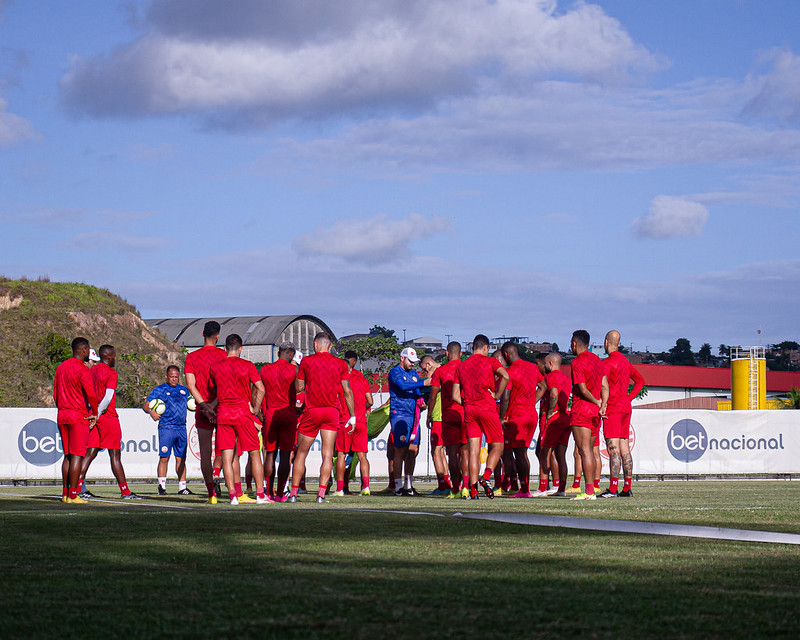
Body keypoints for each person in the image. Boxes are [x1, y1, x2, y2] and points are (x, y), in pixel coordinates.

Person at [288, 332, 356, 503]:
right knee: (327, 454)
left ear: (315, 344)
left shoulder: (307, 361)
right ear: (330, 346)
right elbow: (347, 391)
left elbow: (299, 387)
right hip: (331, 412)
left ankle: (294, 493)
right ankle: (321, 494)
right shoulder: (340, 364)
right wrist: (353, 416)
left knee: (301, 453)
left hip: (312, 411)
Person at [209, 333, 269, 505]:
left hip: (224, 414)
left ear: (225, 348)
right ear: (240, 348)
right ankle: (259, 495)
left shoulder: (216, 367)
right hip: (243, 413)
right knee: (254, 453)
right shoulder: (248, 365)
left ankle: (233, 496)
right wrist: (255, 409)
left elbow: (218, 391)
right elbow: (261, 389)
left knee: (226, 457)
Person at [79, 344, 141, 500]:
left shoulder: (91, 370)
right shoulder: (111, 372)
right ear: (107, 356)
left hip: (91, 414)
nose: (115, 358)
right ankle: (125, 491)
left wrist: (92, 412)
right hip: (107, 416)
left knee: (90, 452)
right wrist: (98, 413)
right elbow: (107, 397)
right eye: (114, 355)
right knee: (115, 455)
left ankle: (77, 487)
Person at [453, 334, 509, 499]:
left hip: (470, 410)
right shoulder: (490, 361)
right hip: (487, 408)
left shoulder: (461, 366)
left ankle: (473, 489)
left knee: (473, 452)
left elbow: (455, 395)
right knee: (498, 445)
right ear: (486, 347)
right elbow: (505, 376)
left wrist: (467, 403)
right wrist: (497, 395)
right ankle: (486, 477)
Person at [599, 330, 645, 498]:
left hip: (613, 407)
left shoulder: (607, 363)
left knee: (613, 449)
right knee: (624, 448)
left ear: (606, 342)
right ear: (618, 343)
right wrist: (629, 398)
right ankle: (627, 487)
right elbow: (640, 381)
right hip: (625, 407)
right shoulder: (625, 362)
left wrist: (602, 404)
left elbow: (602, 387)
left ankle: (612, 489)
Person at [184, 321, 227, 504]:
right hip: (222, 407)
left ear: (203, 333)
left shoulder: (192, 357)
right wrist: (214, 404)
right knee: (227, 450)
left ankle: (211, 494)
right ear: (218, 335)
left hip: (203, 410)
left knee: (204, 452)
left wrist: (204, 405)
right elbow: (226, 385)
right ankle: (234, 491)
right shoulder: (224, 356)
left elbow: (191, 385)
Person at [53, 337, 98, 504]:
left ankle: (65, 494)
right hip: (78, 416)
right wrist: (94, 412)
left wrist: (62, 408)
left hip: (62, 415)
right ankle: (73, 495)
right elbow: (91, 394)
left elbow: (55, 393)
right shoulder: (83, 369)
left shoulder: (61, 367)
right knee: (78, 455)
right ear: (84, 350)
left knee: (67, 456)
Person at [499, 342, 546, 498]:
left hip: (517, 415)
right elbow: (543, 386)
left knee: (518, 454)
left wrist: (502, 417)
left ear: (506, 354)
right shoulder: (532, 367)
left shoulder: (509, 372)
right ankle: (524, 488)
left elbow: (505, 397)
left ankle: (524, 489)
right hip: (531, 414)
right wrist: (532, 401)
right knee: (523, 453)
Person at [388, 347, 431, 496]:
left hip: (413, 416)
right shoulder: (394, 373)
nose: (413, 364)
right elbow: (404, 386)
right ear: (402, 358)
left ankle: (409, 485)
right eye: (410, 361)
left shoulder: (413, 373)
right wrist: (423, 383)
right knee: (400, 450)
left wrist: (421, 400)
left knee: (413, 451)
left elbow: (416, 391)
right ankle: (398, 487)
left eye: (414, 362)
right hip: (399, 414)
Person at [144, 365, 194, 495]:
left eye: (176, 377)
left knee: (181, 458)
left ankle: (182, 487)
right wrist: (151, 411)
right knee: (164, 457)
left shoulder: (184, 390)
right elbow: (146, 405)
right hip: (166, 428)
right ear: (166, 376)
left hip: (181, 428)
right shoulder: (159, 390)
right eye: (171, 377)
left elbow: (191, 403)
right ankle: (162, 487)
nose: (174, 379)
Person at [260, 341, 298, 501]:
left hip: (271, 413)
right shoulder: (294, 370)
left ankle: (268, 491)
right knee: (285, 455)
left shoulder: (265, 369)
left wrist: (260, 412)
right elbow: (301, 392)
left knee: (270, 453)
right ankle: (281, 493)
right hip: (288, 413)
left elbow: (259, 391)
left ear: (278, 353)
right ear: (291, 355)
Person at [568, 330, 604, 501]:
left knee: (584, 452)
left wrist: (596, 402)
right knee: (590, 451)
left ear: (574, 343)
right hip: (595, 413)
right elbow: (605, 386)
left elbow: (582, 390)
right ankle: (592, 488)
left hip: (582, 409)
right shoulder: (598, 360)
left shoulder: (577, 362)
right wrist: (603, 404)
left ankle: (589, 491)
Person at [333, 350, 373, 496]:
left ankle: (339, 489)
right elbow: (370, 401)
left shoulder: (338, 381)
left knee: (341, 455)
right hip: (361, 421)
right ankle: (366, 487)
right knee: (362, 456)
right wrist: (362, 409)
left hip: (345, 421)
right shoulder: (361, 377)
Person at [429, 342, 466, 498]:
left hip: (448, 415)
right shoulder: (467, 368)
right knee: (466, 453)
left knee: (451, 453)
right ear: (461, 354)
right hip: (465, 414)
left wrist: (429, 414)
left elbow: (432, 395)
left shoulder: (440, 371)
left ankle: (455, 488)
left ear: (446, 353)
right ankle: (467, 486)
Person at [537, 352, 572, 497]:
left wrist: (550, 411)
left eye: (545, 363)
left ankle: (542, 487)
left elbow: (554, 394)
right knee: (560, 455)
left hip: (553, 419)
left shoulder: (551, 377)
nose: (544, 366)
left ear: (551, 363)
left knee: (544, 452)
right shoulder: (567, 379)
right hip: (566, 418)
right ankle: (561, 489)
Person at [421, 354, 450, 495]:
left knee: (436, 451)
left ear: (428, 365)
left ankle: (442, 485)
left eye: (425, 370)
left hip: (438, 416)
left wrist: (428, 415)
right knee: (442, 452)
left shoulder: (438, 373)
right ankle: (447, 483)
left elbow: (431, 392)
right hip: (447, 416)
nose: (425, 373)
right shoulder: (447, 369)